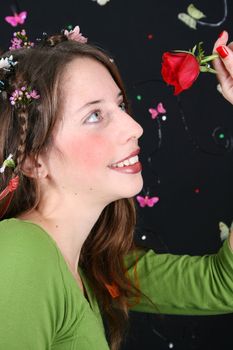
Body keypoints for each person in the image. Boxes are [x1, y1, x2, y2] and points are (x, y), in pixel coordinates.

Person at [0, 26, 232, 350]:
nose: (135, 128)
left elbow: (223, 284)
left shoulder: (95, 263)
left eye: (120, 107)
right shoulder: (21, 254)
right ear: (32, 160)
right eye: (94, 115)